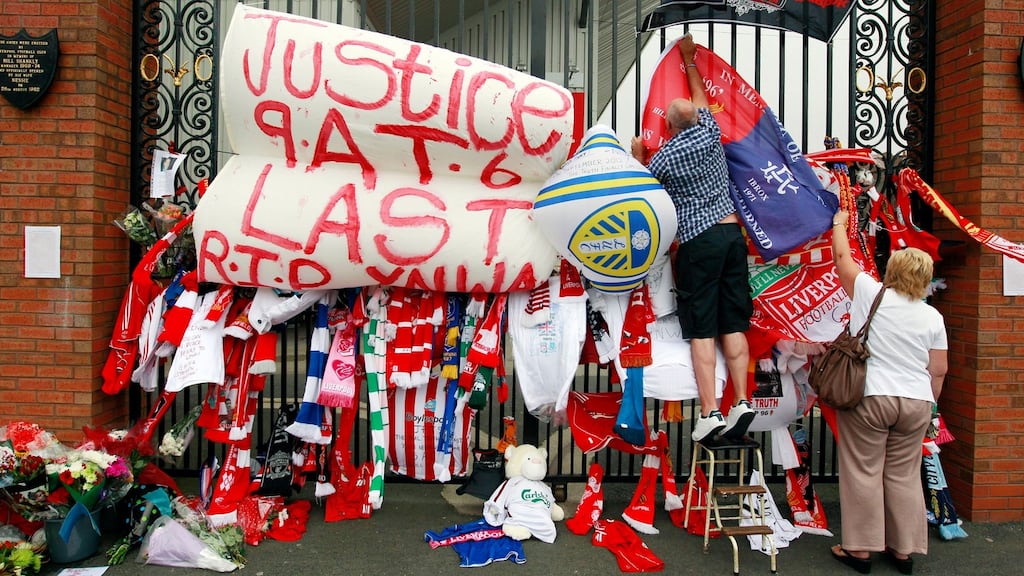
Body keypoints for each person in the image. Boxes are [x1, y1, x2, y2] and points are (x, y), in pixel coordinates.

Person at [630, 34, 754, 444]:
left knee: (702, 330)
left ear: (667, 127)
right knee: (733, 323)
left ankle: (709, 412)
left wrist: (637, 154)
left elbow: (643, 191)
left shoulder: (663, 158)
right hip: (732, 235)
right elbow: (701, 95)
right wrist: (688, 60)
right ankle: (741, 401)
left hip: (698, 244)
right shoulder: (708, 131)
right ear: (695, 119)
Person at [828, 209, 948, 575]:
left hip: (872, 395)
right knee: (903, 474)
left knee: (863, 470)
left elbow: (842, 259)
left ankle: (860, 550)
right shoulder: (932, 317)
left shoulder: (870, 292)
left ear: (892, 271)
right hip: (916, 401)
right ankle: (903, 550)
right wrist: (930, 408)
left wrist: (838, 224)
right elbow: (938, 369)